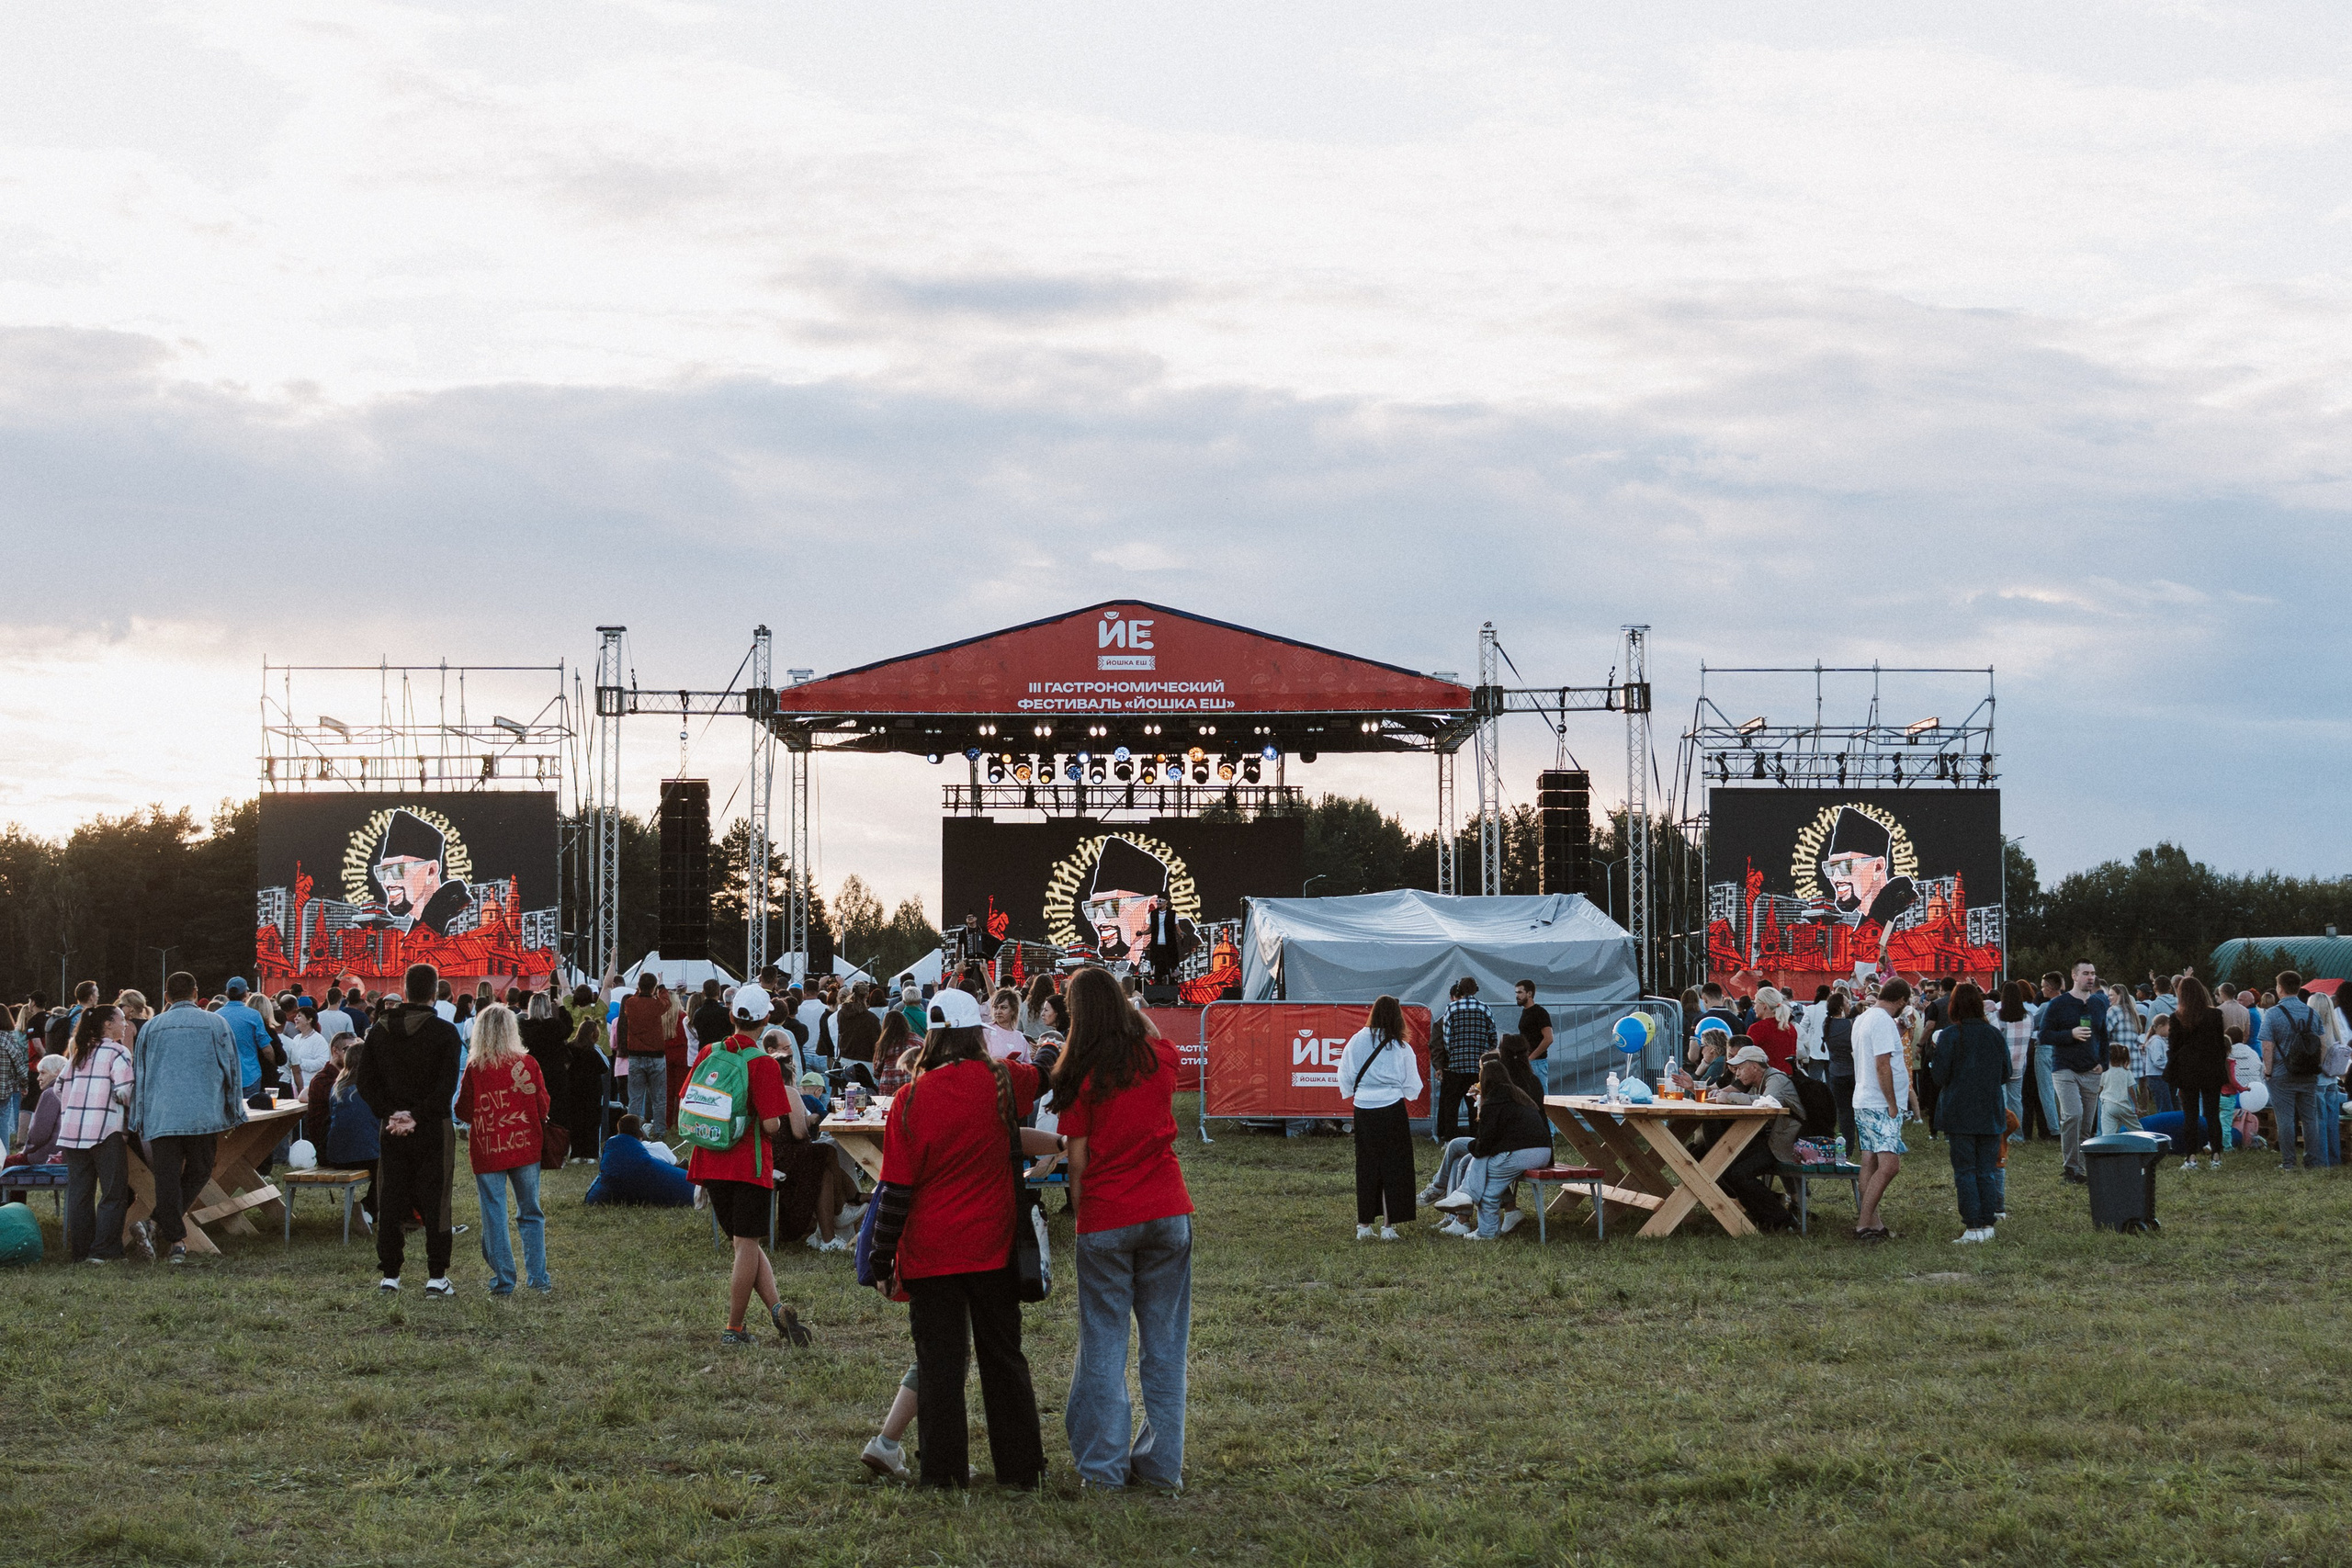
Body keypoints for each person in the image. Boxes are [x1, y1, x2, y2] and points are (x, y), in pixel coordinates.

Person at [864, 987, 1051, 1491]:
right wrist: (1051, 1043)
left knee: (940, 1364)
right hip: (993, 1248)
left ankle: (942, 1474)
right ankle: (1020, 1470)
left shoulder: (910, 1098)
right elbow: (1047, 1073)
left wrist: (882, 1261)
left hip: (930, 1254)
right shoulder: (1002, 1080)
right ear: (977, 1032)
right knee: (1003, 1358)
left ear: (931, 1036)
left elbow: (896, 1192)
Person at [1050, 965, 1194, 1493]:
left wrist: (1085, 1216)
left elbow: (1078, 1161)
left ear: (1077, 1016)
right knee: (1165, 1347)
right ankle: (1161, 1468)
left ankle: (1103, 1469)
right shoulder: (1159, 1059)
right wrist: (1128, 1010)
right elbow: (1155, 1036)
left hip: (1108, 1216)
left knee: (1104, 1347)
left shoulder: (1081, 1075)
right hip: (1167, 1210)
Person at [684, 989, 808, 1346]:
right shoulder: (763, 1064)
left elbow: (689, 1099)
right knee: (747, 1245)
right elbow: (772, 1126)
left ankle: (777, 1309)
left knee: (745, 1244)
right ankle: (734, 1329)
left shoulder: (710, 1052)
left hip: (711, 1158)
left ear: (731, 1017)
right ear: (766, 1019)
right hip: (748, 1163)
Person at [355, 963, 465, 1297]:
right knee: (437, 1199)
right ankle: (436, 1276)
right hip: (433, 1127)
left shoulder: (378, 1031)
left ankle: (390, 1274)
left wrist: (391, 1114)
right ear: (435, 992)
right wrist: (416, 1115)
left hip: (392, 1127)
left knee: (391, 1196)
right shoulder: (446, 1033)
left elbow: (364, 1083)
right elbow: (446, 1087)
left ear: (404, 989)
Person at [127, 971, 246, 1266]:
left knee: (166, 1178)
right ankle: (176, 1240)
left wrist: (138, 1117)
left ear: (166, 997)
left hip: (161, 1113)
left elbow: (140, 1075)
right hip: (202, 1113)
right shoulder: (216, 1023)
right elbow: (232, 1069)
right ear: (196, 992)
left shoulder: (151, 1028)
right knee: (200, 1170)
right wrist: (235, 1112)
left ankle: (159, 1228)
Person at [457, 1004, 553, 1295]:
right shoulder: (528, 1064)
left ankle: (504, 1281)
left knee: (494, 1215)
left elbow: (462, 1110)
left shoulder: (476, 1068)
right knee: (531, 1213)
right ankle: (538, 1279)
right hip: (524, 1145)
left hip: (488, 1148)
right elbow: (543, 1106)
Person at [1676, 1043, 1800, 1231]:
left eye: (1740, 1068)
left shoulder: (1776, 1079)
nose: (1737, 1073)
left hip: (1785, 1144)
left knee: (1733, 1170)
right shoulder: (1754, 1082)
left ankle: (1781, 1220)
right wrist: (1692, 1086)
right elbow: (1719, 1094)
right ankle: (1768, 1215)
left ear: (1755, 1067)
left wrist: (1729, 1098)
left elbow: (1766, 1103)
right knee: (1711, 1158)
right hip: (1766, 1138)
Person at [1927, 982, 2010, 1244]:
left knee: (1965, 1170)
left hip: (1959, 1111)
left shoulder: (1951, 1035)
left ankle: (1973, 1226)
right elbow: (2006, 1073)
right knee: (1986, 1169)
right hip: (1989, 1110)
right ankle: (1987, 1224)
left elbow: (1939, 1076)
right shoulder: (1994, 1034)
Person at [54, 1005, 137, 1263]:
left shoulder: (78, 1053)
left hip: (72, 1131)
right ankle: (103, 1251)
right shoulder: (117, 1052)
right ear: (107, 1025)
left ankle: (81, 1251)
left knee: (80, 1193)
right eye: (121, 1020)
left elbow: (58, 1088)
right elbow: (125, 1092)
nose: (125, 1024)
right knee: (113, 1193)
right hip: (105, 1129)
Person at [1337, 996, 1422, 1241]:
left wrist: (1357, 1092)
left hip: (1363, 1106)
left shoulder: (1356, 1040)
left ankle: (1363, 1225)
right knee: (1394, 1167)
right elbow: (1412, 1083)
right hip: (1391, 1107)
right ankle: (1388, 1226)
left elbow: (1345, 1073)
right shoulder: (1400, 1046)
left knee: (1366, 1165)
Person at [1461, 1054, 1555, 1241]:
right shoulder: (1520, 1097)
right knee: (1486, 1169)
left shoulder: (1493, 1103)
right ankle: (1468, 1201)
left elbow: (1483, 1146)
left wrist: (1472, 1145)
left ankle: (1486, 1231)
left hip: (1521, 1154)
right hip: (1544, 1152)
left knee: (1489, 1188)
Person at [1849, 977, 1913, 1241]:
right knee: (1890, 1165)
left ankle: (1873, 1222)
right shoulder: (1884, 1021)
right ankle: (1864, 1223)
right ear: (1900, 1001)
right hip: (1879, 1102)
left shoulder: (1862, 1018)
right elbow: (1883, 1064)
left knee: (1870, 1160)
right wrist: (1892, 1102)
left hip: (1863, 1097)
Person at [2039, 962, 2109, 1185]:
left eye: (2093, 973)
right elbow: (2044, 1035)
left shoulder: (2099, 1003)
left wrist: (2104, 1063)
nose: (2091, 977)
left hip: (2091, 1069)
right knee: (2073, 1115)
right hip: (2064, 1068)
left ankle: (2079, 1170)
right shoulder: (2058, 1004)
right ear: (2074, 976)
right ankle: (2070, 1168)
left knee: (2086, 1124)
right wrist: (2070, 1034)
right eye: (2086, 973)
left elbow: (2103, 1035)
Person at [2258, 969, 2326, 1171]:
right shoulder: (2312, 1013)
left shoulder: (2272, 1014)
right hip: (2308, 1074)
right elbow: (2322, 1044)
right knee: (2310, 1119)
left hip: (2281, 1073)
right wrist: (2316, 1067)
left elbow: (2267, 1046)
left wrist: (2268, 1072)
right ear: (2299, 987)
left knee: (2285, 1119)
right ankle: (2311, 1162)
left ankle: (2289, 1162)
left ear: (2280, 988)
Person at [2165, 977, 2229, 1168]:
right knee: (2212, 1113)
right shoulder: (2215, 1015)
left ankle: (2191, 1156)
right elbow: (2220, 1045)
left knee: (2190, 1115)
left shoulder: (2177, 1017)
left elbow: (2173, 1047)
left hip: (2187, 1071)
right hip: (2211, 1069)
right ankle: (2216, 1155)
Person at [321, 1039, 381, 1227]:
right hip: (366, 1154)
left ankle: (370, 1212)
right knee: (394, 1169)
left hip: (336, 1154)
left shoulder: (337, 1088)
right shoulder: (373, 1088)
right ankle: (368, 1210)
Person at [1437, 977, 1495, 1144]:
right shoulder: (1485, 1008)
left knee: (1451, 1106)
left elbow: (1447, 1037)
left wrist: (1454, 1053)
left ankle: (1450, 1140)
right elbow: (1492, 1035)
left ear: (1460, 991)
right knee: (1476, 1105)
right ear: (1475, 990)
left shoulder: (1451, 1008)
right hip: (1478, 1067)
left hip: (1456, 1066)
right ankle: (1476, 1138)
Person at [615, 973, 672, 1138]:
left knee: (635, 1098)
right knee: (659, 1098)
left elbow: (634, 999)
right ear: (654, 988)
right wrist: (661, 987)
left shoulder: (631, 1003)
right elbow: (667, 1002)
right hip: (656, 1056)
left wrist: (640, 990)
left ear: (639, 986)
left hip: (636, 1056)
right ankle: (660, 1131)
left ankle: (631, 1132)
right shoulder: (657, 1005)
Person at [1746, 986, 1798, 1076]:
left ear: (1764, 1005)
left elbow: (1747, 1057)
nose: (1754, 1007)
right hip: (1789, 1079)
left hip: (1767, 1079)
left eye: (1755, 1003)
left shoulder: (1757, 1029)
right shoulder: (1790, 1028)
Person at [1513, 980, 1555, 1092]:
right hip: (1527, 1062)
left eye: (1520, 992)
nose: (1517, 996)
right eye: (1516, 993)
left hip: (1537, 1063)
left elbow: (1549, 1038)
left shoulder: (1540, 1012)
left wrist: (1531, 1057)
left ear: (1529, 994)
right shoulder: (1525, 1012)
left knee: (1541, 1098)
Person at [2096, 1043, 2142, 1136]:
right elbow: (2131, 1090)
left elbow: (2099, 1089)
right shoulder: (2126, 1072)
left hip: (2108, 1105)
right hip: (2123, 1106)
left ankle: (2107, 1148)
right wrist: (2136, 1106)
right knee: (2137, 1129)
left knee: (2108, 1133)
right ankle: (2146, 1145)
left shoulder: (2105, 1072)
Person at [2140, 1012, 2176, 1115]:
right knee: (2164, 1105)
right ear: (2160, 1026)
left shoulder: (2161, 1040)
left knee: (2167, 1103)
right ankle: (2165, 1126)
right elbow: (2157, 1061)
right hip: (2157, 1077)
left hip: (2160, 1077)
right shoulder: (2156, 1041)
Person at [983, 989, 1031, 1064]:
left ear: (1013, 1010)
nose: (998, 1012)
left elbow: (1028, 1065)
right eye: (995, 1007)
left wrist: (1016, 1065)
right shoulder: (985, 1030)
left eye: (1003, 1007)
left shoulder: (1021, 1038)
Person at [1020, 976, 1058, 1042]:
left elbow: (1019, 1028)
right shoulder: (1052, 1005)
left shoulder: (1024, 1005)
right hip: (1049, 1042)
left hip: (1029, 1043)